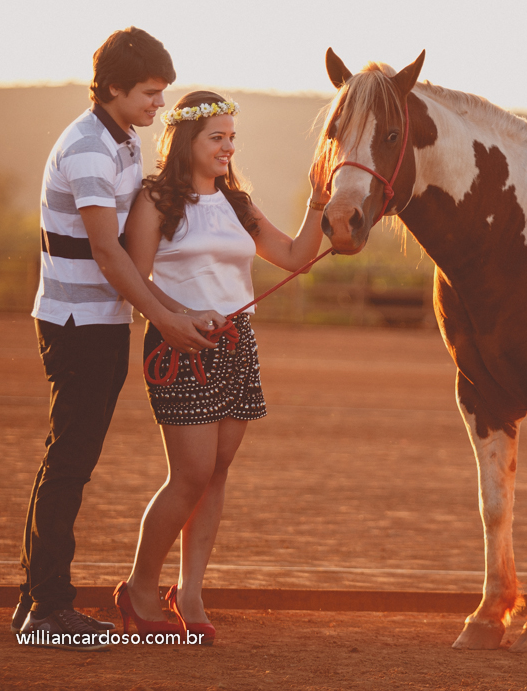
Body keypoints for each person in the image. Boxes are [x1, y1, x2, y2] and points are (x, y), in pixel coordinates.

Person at [19, 27, 220, 651]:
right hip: (76, 325)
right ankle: (45, 608)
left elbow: (134, 252)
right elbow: (109, 253)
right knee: (70, 462)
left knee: (73, 460)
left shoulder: (123, 141)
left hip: (103, 324)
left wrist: (175, 307)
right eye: (150, 93)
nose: (160, 105)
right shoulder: (86, 149)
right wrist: (164, 319)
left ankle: (41, 600)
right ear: (112, 88)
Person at [113, 90, 327, 645]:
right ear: (188, 140)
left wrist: (319, 202)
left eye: (232, 137)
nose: (229, 147)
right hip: (179, 347)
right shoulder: (155, 199)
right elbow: (138, 284)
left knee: (217, 471)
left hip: (238, 345)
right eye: (217, 137)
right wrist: (184, 317)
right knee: (188, 477)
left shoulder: (238, 204)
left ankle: (189, 593)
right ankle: (139, 589)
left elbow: (297, 256)